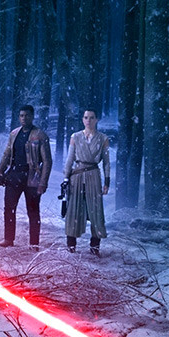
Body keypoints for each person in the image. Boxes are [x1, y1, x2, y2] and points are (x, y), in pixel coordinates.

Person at [0, 105, 52, 248]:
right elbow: (7, 153)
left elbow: (47, 161)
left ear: (32, 116)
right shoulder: (14, 133)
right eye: (21, 115)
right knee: (9, 208)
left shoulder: (40, 135)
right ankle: (8, 239)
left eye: (27, 115)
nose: (24, 118)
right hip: (14, 175)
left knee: (33, 211)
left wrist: (43, 182)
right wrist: (0, 170)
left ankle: (34, 243)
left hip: (32, 177)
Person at [62, 108, 110, 256]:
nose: (88, 120)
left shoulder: (103, 138)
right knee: (73, 210)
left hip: (93, 175)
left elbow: (106, 163)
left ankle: (95, 247)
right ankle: (71, 246)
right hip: (76, 176)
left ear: (96, 120)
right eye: (86, 117)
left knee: (96, 210)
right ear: (83, 119)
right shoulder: (75, 137)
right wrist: (66, 178)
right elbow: (70, 159)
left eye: (92, 117)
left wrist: (107, 182)